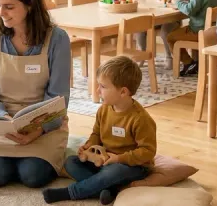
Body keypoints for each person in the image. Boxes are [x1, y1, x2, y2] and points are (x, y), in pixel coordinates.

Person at [0, 0, 72, 188]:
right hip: (0, 123)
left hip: (43, 124)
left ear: (30, 5)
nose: (1, 12)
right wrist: (2, 118)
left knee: (33, 175)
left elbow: (59, 96)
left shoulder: (58, 39)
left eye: (9, 6)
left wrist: (37, 128)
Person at [42, 57, 156, 204]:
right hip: (104, 160)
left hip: (133, 165)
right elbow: (97, 133)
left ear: (123, 92)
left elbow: (148, 151)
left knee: (114, 172)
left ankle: (72, 192)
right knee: (71, 162)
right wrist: (89, 145)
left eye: (103, 86)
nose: (97, 90)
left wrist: (119, 159)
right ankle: (110, 189)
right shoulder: (103, 110)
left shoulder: (140, 119)